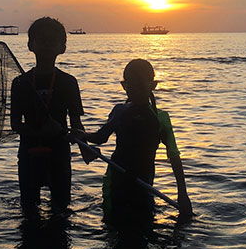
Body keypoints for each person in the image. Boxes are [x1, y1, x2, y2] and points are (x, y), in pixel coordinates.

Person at [77, 59, 193, 226]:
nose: (135, 90)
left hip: (144, 182)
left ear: (153, 85)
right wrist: (81, 135)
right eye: (131, 85)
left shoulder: (161, 119)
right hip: (116, 181)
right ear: (124, 86)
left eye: (141, 85)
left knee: (144, 227)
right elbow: (101, 137)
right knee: (113, 228)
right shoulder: (119, 112)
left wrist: (182, 194)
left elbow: (174, 157)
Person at [10, 17, 86, 215]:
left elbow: (76, 123)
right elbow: (15, 123)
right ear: (30, 45)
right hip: (29, 154)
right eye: (41, 40)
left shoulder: (69, 82)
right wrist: (38, 131)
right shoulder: (20, 82)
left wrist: (82, 143)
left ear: (62, 47)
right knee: (28, 211)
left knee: (61, 211)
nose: (46, 45)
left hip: (59, 154)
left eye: (52, 41)